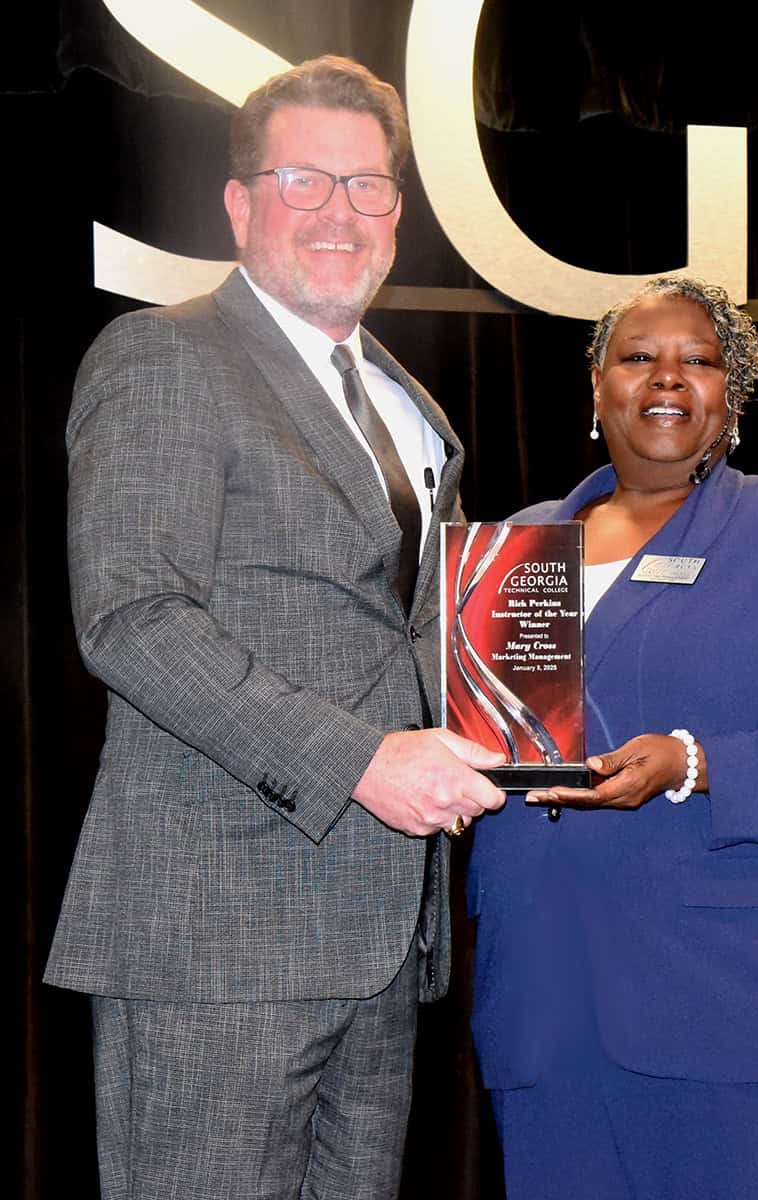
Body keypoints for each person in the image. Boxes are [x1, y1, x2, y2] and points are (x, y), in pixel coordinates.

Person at [45, 55, 505, 1200]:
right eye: (304, 181)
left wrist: (520, 721)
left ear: (398, 209)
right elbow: (132, 619)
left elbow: (401, 633)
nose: (340, 214)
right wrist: (363, 762)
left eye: (367, 186)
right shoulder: (165, 358)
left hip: (381, 937)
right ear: (240, 203)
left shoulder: (414, 408)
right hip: (215, 937)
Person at [468, 276, 758, 1200]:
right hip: (553, 1002)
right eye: (637, 357)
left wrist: (697, 762)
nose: (666, 376)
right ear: (596, 388)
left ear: (732, 396)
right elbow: (492, 739)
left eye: (699, 360)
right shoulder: (516, 544)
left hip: (752, 1002)